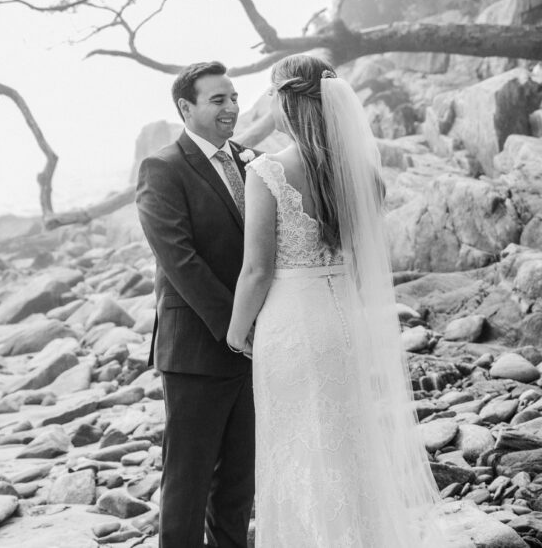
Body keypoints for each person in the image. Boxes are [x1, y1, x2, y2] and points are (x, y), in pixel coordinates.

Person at [226, 54, 451, 546]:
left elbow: (257, 268)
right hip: (343, 319)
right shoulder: (361, 173)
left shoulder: (268, 171)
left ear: (285, 101)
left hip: (290, 324)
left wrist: (236, 329)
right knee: (349, 446)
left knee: (296, 449)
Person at [136, 61, 258, 548]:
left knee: (237, 483)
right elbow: (180, 260)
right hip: (196, 351)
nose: (231, 107)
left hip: (254, 348)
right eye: (218, 100)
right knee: (186, 484)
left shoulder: (254, 160)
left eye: (233, 98)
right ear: (186, 108)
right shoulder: (162, 168)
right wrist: (237, 327)